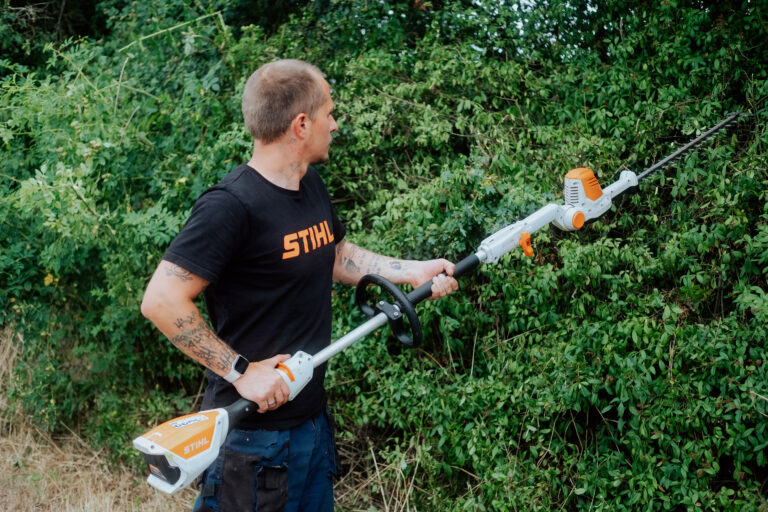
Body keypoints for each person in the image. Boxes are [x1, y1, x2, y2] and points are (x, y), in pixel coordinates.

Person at [140, 59, 458, 512]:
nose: (335, 123)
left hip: (310, 425)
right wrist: (242, 372)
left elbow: (336, 254)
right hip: (252, 439)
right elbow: (161, 300)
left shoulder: (310, 187)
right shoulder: (229, 206)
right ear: (301, 123)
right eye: (330, 112)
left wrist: (411, 270)